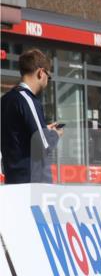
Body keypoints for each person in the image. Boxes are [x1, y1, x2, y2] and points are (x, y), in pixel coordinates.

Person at [1, 48, 61, 183]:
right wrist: (55, 134)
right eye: (49, 77)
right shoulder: (28, 100)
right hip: (33, 181)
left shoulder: (5, 100)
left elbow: (17, 136)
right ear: (41, 73)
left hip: (13, 178)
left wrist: (44, 129)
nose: (47, 81)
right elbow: (43, 145)